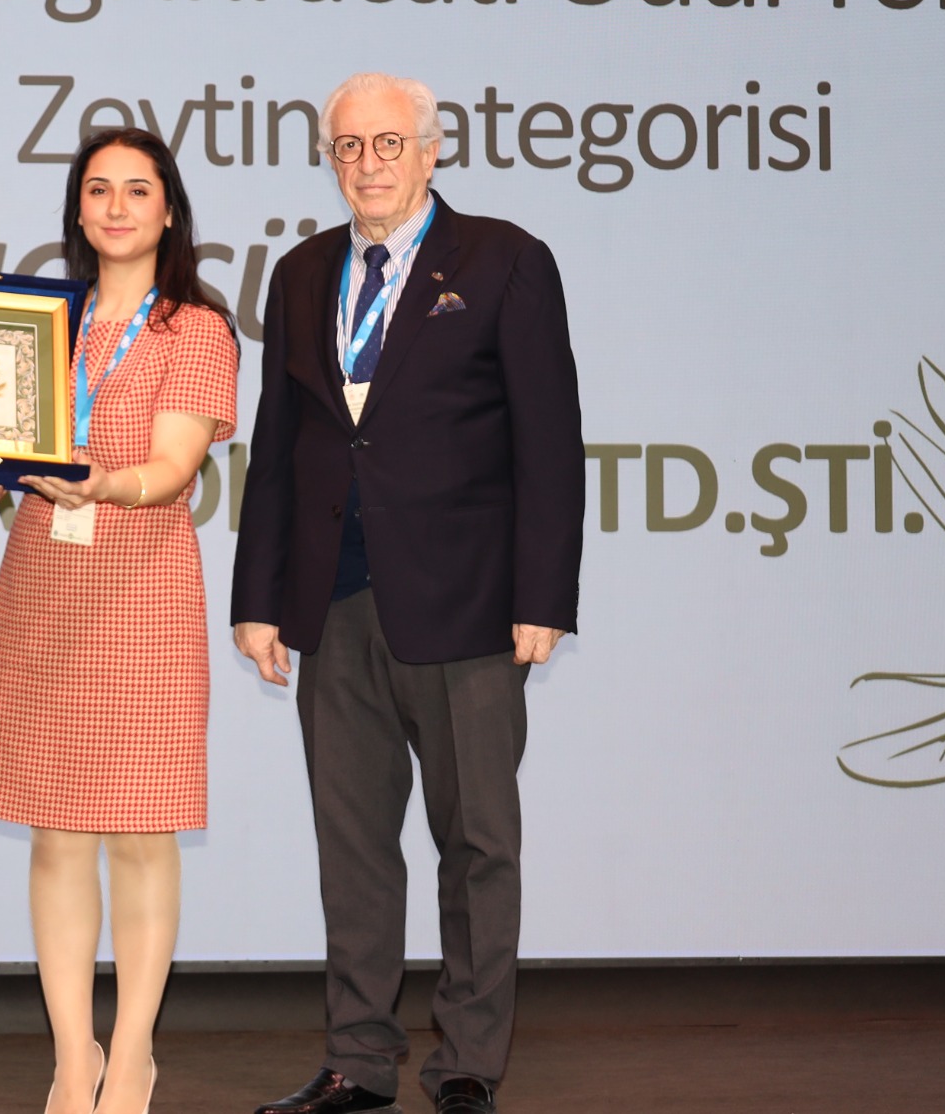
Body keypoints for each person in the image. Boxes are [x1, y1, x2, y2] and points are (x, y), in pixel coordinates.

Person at [232, 73, 585, 1114]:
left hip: (468, 606)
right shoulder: (302, 272)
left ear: (432, 151)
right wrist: (258, 597)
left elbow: (549, 440)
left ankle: (467, 1059)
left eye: (388, 143)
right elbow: (280, 445)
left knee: (477, 843)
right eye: (348, 147)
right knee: (352, 847)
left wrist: (543, 594)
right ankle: (358, 1058)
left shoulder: (505, 259)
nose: (368, 163)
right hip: (334, 600)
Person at [0, 128, 239, 1114]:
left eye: (138, 190)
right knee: (57, 831)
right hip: (43, 580)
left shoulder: (195, 328)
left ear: (170, 210)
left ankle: (135, 1055)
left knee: (141, 832)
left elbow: (170, 470)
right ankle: (74, 1058)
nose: (117, 207)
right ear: (77, 209)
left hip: (142, 587)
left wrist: (100, 481)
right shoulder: (45, 321)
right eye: (99, 190)